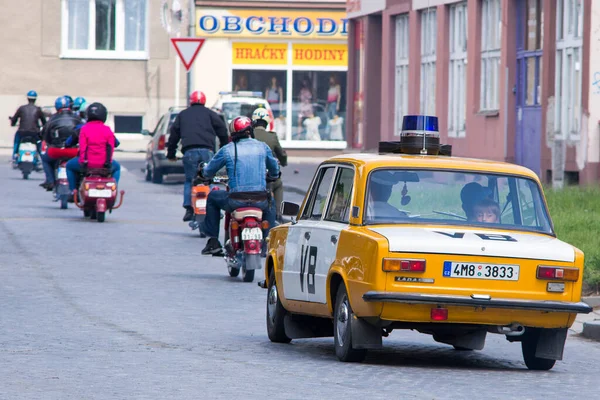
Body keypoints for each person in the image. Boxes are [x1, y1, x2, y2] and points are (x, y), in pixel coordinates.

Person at [198, 116, 279, 255]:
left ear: (233, 134)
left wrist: (203, 174)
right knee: (271, 204)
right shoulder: (262, 147)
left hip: (235, 200)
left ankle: (213, 241)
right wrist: (272, 176)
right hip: (260, 200)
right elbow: (275, 170)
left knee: (212, 197)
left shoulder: (227, 149)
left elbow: (209, 170)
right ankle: (268, 242)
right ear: (250, 131)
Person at [167, 90, 229, 222]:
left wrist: (171, 153)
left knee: (190, 180)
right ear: (204, 101)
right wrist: (224, 148)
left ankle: (189, 208)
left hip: (189, 152)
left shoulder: (182, 115)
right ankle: (214, 205)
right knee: (209, 179)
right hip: (207, 151)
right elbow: (223, 130)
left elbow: (173, 135)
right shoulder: (211, 114)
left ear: (191, 101)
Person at [66, 102, 120, 193]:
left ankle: (73, 190)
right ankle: (113, 189)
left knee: (69, 166)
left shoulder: (84, 129)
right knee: (117, 167)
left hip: (86, 165)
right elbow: (115, 144)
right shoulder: (107, 130)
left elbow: (81, 146)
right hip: (105, 165)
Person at [251, 107, 287, 222]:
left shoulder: (249, 136)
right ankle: (278, 214)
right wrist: (284, 161)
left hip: (252, 175)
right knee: (278, 184)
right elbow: (281, 154)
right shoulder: (272, 137)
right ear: (267, 123)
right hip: (268, 178)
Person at [40, 96, 82, 190]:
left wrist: (50, 142)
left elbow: (45, 135)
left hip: (56, 150)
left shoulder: (53, 118)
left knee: (45, 160)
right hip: (73, 151)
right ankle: (77, 184)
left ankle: (50, 181)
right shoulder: (77, 118)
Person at [9, 90, 46, 163]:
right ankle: (41, 157)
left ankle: (14, 155)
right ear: (35, 99)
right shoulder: (38, 109)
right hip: (35, 132)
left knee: (17, 141)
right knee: (39, 142)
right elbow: (44, 122)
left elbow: (14, 119)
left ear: (27, 98)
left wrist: (12, 122)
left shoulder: (21, 108)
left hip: (22, 132)